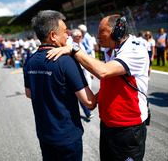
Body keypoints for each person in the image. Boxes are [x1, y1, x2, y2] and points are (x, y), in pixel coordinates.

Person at [47, 14, 149, 161]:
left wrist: (74, 49)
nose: (97, 36)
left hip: (128, 128)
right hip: (108, 124)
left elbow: (103, 72)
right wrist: (95, 98)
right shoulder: (113, 48)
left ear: (116, 33)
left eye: (102, 31)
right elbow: (113, 83)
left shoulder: (135, 51)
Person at [23, 10, 96, 161]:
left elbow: (29, 93)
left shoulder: (29, 61)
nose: (68, 35)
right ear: (53, 36)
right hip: (67, 137)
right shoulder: (66, 61)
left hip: (44, 134)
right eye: (64, 32)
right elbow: (89, 103)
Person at [71, 28, 94, 120]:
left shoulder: (81, 44)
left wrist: (91, 71)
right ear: (73, 37)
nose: (81, 37)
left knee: (85, 91)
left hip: (85, 71)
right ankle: (87, 112)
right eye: (78, 36)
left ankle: (87, 110)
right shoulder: (71, 46)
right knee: (79, 92)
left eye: (81, 36)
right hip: (77, 72)